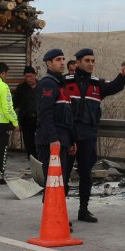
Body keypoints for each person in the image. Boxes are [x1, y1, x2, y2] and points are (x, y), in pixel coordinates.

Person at [65, 48, 125, 223]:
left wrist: (122, 75)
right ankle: (59, 212)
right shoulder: (65, 82)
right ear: (77, 63)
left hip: (88, 136)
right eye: (87, 60)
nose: (91, 64)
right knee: (63, 174)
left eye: (93, 61)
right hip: (68, 136)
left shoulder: (97, 84)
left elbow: (114, 86)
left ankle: (83, 210)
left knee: (86, 175)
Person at [34, 49, 73, 186]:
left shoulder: (59, 83)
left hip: (62, 139)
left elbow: (66, 115)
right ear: (49, 63)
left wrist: (71, 140)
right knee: (52, 182)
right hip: (51, 141)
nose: (62, 62)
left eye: (63, 59)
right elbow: (45, 114)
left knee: (60, 182)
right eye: (58, 60)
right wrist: (53, 139)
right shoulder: (48, 83)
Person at [12, 66, 39, 162]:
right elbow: (14, 104)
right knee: (29, 143)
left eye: (31, 76)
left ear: (35, 75)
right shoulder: (21, 88)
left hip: (40, 119)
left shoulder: (42, 86)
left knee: (41, 142)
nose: (29, 79)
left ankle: (42, 162)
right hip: (26, 119)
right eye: (26, 77)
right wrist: (14, 121)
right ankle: (32, 162)